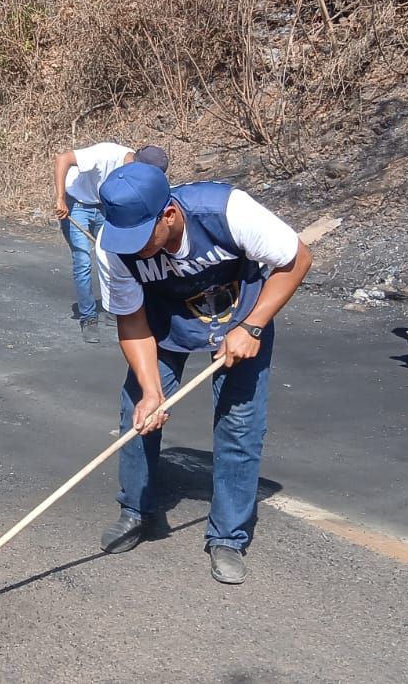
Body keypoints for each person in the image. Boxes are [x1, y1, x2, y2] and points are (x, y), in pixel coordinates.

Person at [95, 163, 310, 585]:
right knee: (137, 414)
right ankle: (136, 509)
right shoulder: (114, 245)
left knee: (239, 423)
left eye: (142, 239)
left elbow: (297, 258)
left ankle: (228, 536)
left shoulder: (226, 210)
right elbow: (131, 319)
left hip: (242, 317)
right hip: (162, 321)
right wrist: (151, 391)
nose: (135, 250)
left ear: (169, 215)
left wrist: (253, 326)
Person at [52, 143, 170, 342]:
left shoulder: (137, 173)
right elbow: (62, 159)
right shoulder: (105, 154)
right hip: (76, 203)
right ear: (137, 165)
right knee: (83, 260)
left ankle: (114, 310)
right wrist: (60, 198)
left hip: (105, 205)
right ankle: (88, 316)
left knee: (116, 256)